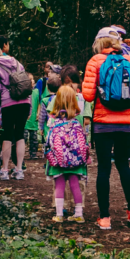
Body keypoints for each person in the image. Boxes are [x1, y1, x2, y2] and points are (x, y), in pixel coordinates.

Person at [81, 28, 130, 230]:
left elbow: (88, 96)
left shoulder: (95, 61)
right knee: (124, 165)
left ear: (99, 42)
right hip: (126, 124)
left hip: (103, 124)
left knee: (104, 169)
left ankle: (105, 217)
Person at [0, 37, 32, 180]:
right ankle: (19, 170)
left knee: (7, 135)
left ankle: (4, 170)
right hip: (24, 101)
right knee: (20, 134)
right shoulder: (17, 62)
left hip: (8, 102)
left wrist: (1, 102)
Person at [45, 86, 88, 223]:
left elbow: (48, 139)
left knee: (59, 185)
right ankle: (79, 214)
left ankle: (59, 214)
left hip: (58, 159)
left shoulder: (52, 120)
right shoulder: (78, 118)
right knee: (75, 184)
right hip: (76, 159)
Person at [24, 72, 42, 158]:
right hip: (25, 120)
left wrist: (38, 113)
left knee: (34, 138)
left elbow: (39, 103)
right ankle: (20, 154)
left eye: (33, 79)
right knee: (23, 137)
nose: (33, 81)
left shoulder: (36, 91)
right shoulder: (24, 92)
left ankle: (33, 153)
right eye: (30, 80)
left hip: (34, 118)